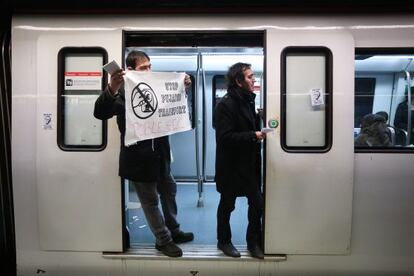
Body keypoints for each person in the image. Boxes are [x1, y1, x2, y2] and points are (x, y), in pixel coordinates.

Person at [94, 50, 193, 257]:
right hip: (138, 158)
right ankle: (163, 240)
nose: (148, 70)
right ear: (130, 70)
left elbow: (171, 105)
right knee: (150, 202)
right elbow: (100, 113)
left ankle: (173, 230)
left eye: (150, 66)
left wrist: (181, 87)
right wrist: (112, 86)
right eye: (143, 68)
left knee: (169, 192)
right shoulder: (121, 93)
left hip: (161, 155)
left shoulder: (156, 88)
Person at [214, 62, 266, 259]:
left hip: (249, 165)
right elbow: (225, 137)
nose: (253, 80)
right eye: (250, 77)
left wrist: (258, 120)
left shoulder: (247, 101)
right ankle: (224, 241)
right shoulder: (225, 105)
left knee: (257, 204)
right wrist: (254, 135)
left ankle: (253, 243)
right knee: (227, 205)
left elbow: (245, 124)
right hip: (231, 166)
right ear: (238, 81)